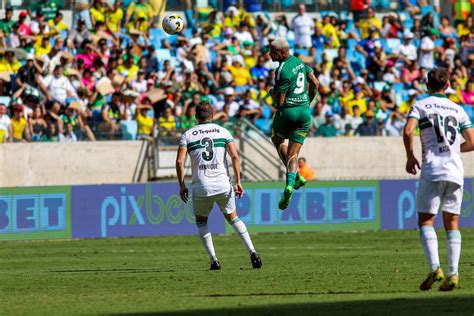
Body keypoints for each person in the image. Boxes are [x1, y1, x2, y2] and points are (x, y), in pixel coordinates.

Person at [403, 68, 474, 291]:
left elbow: (407, 131)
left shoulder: (421, 105)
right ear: (448, 86)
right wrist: (452, 150)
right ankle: (453, 273)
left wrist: (410, 156)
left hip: (432, 169)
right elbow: (472, 142)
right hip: (454, 171)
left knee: (426, 221)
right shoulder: (458, 109)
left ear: (427, 85)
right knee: (452, 223)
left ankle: (435, 268)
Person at [175, 101, 262, 270]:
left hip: (201, 186)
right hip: (223, 184)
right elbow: (235, 157)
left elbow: (179, 161)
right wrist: (238, 181)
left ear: (195, 116)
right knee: (233, 218)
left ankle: (214, 259)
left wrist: (181, 185)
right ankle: (252, 252)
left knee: (201, 222)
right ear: (213, 114)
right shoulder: (223, 131)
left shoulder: (188, 134)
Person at [269, 38, 319, 210]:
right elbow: (315, 83)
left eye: (273, 52)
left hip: (288, 112)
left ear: (282, 52)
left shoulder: (281, 70)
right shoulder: (300, 61)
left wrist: (272, 94)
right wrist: (308, 102)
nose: (269, 54)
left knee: (277, 141)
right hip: (304, 112)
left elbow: (280, 102)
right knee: (293, 155)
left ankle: (294, 178)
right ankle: (293, 181)